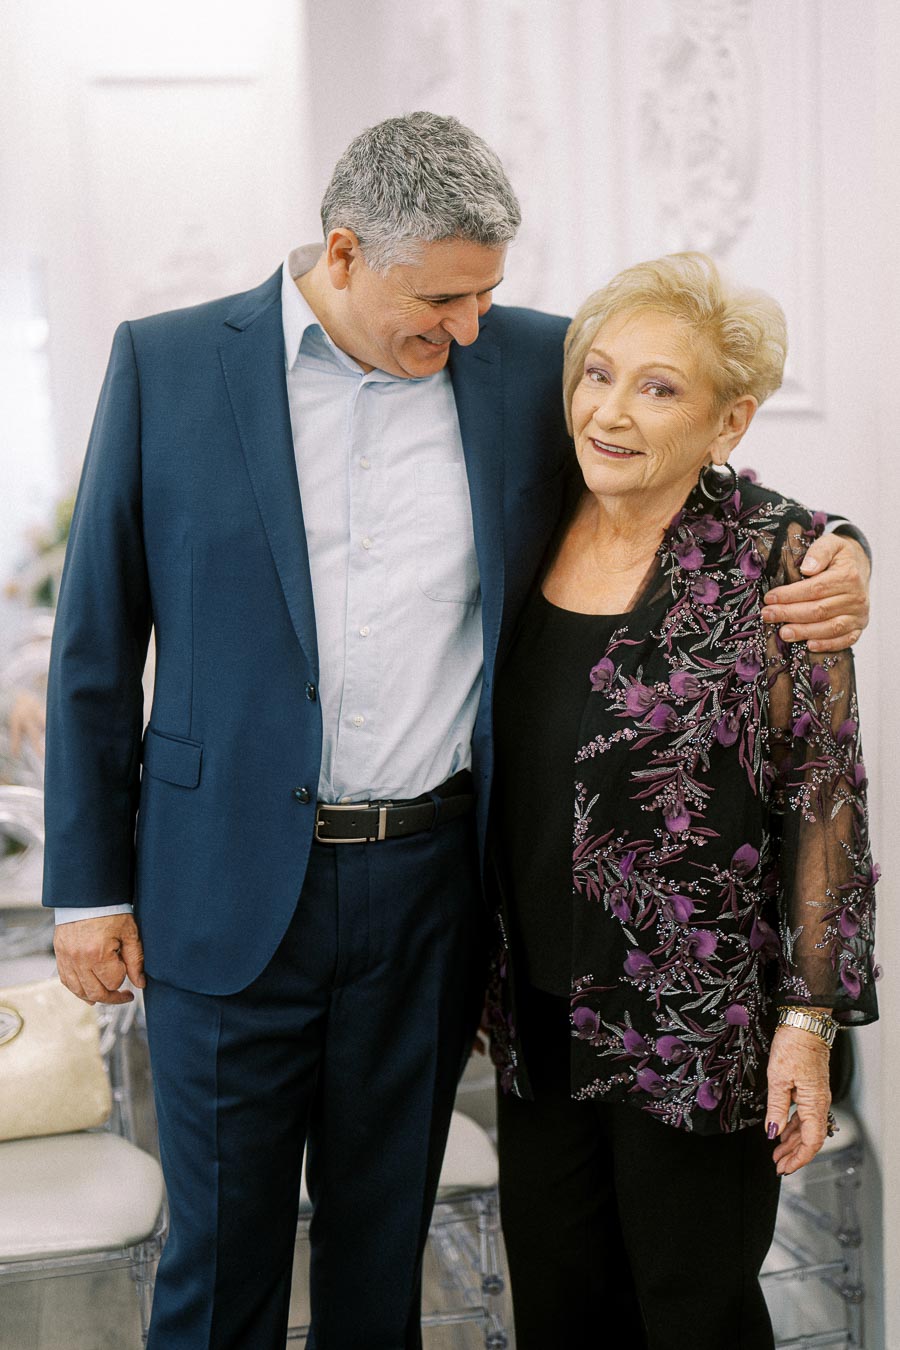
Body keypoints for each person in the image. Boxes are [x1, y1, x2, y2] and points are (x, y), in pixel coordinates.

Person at [42, 113, 870, 1350]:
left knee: (386, 1250)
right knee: (220, 1264)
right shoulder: (166, 365)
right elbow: (96, 644)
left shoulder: (522, 361)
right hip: (218, 890)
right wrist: (85, 888)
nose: (472, 323)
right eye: (443, 297)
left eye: (489, 293)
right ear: (344, 252)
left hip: (429, 895)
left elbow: (697, 460)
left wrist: (845, 550)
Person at [489, 252, 878, 1350]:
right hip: (538, 1014)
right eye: (597, 374)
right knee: (563, 1311)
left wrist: (808, 1025)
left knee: (693, 1312)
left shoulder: (779, 558)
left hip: (701, 1024)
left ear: (729, 421)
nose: (610, 412)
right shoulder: (527, 521)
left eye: (659, 388)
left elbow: (825, 797)